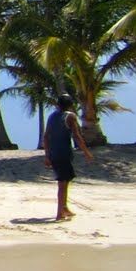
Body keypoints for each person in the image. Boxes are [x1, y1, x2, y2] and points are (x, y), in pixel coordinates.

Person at [41, 93, 94, 222]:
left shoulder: (52, 116)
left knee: (65, 181)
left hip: (54, 153)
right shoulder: (70, 117)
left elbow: (46, 136)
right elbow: (76, 136)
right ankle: (60, 213)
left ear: (57, 104)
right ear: (70, 105)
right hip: (63, 153)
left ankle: (64, 207)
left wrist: (47, 156)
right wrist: (86, 152)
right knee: (62, 184)